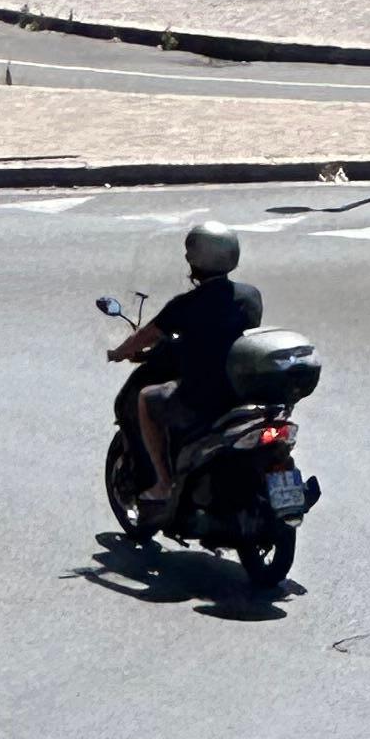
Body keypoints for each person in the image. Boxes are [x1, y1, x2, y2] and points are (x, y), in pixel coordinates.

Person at [111, 219, 258, 516]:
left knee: (146, 399)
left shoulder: (187, 304)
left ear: (198, 258)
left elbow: (145, 336)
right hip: (239, 390)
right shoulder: (250, 296)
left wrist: (118, 352)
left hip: (200, 394)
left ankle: (164, 483)